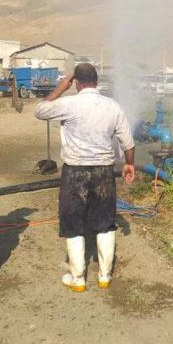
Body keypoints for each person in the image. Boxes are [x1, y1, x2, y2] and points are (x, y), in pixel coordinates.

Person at [34, 63, 135, 292]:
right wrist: (129, 163)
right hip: (103, 171)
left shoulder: (69, 103)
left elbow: (40, 110)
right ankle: (104, 276)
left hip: (75, 171)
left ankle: (78, 279)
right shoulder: (113, 106)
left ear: (77, 83)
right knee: (105, 223)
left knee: (73, 222)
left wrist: (60, 88)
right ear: (97, 81)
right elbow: (127, 141)